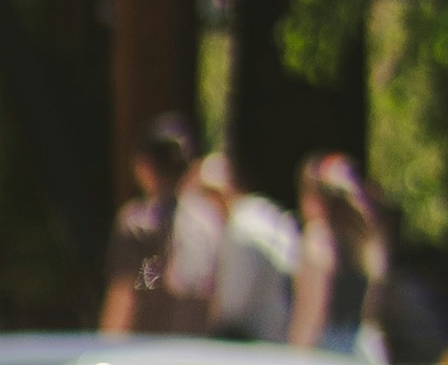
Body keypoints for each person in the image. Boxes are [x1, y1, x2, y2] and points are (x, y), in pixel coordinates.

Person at [100, 117, 228, 340]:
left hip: (145, 356)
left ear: (143, 166)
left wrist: (104, 352)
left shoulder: (138, 224)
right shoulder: (210, 223)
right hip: (193, 354)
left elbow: (123, 296)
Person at [291, 152, 387, 358]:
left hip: (329, 353)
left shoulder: (317, 240)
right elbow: (372, 306)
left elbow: (312, 313)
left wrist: (295, 361)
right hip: (363, 349)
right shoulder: (365, 241)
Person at [208, 159, 301, 347]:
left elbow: (232, 306)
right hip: (278, 332)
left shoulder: (242, 229)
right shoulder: (267, 214)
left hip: (253, 342)